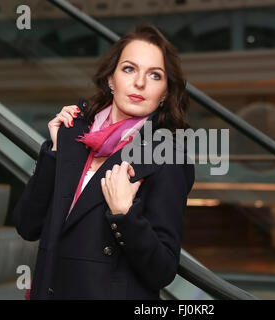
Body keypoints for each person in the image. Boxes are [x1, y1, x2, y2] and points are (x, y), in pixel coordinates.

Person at [13, 24, 195, 300]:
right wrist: (54, 152)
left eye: (155, 75)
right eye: (129, 69)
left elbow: (163, 270)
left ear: (166, 93)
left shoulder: (167, 155)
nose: (140, 83)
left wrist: (125, 213)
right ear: (111, 79)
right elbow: (28, 226)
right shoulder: (75, 133)